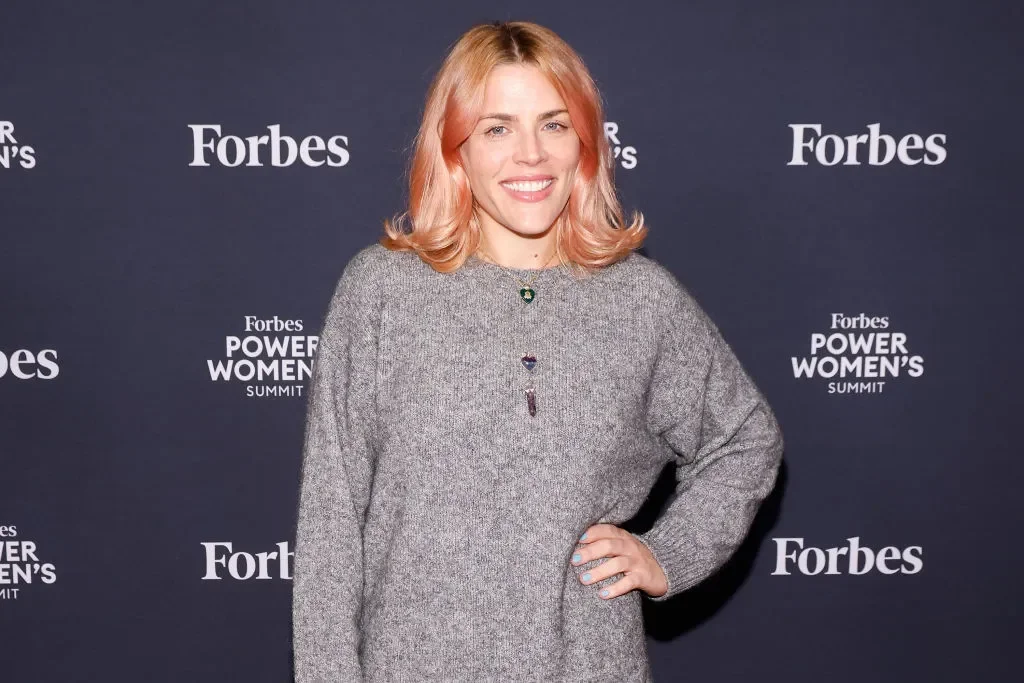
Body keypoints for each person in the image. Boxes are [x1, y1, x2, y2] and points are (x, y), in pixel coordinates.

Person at [292, 19, 783, 683]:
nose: (532, 154)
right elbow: (332, 519)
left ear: (584, 140)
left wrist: (666, 551)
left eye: (553, 124)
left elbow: (747, 440)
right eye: (497, 128)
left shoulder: (642, 301)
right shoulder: (381, 290)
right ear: (457, 147)